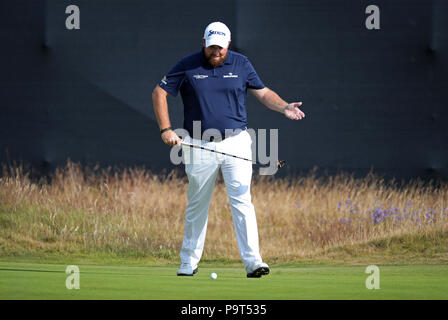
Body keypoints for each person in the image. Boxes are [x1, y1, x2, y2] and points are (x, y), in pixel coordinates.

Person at [152, 21, 305, 278]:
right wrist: (166, 129)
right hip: (198, 143)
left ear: (228, 45)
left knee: (242, 200)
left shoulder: (241, 63)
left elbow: (264, 93)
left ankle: (253, 262)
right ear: (204, 43)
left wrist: (283, 107)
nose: (216, 52)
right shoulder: (187, 64)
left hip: (236, 141)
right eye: (212, 47)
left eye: (221, 48)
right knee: (198, 203)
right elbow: (159, 92)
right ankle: (188, 262)